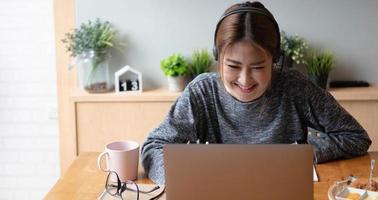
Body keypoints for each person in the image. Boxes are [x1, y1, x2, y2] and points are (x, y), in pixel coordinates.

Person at [141, 1, 371, 184]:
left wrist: (304, 154)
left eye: (258, 67)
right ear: (217, 57)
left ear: (276, 60)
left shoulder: (295, 87)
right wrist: (180, 181)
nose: (244, 80)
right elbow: (153, 147)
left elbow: (356, 137)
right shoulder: (201, 92)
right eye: (232, 66)